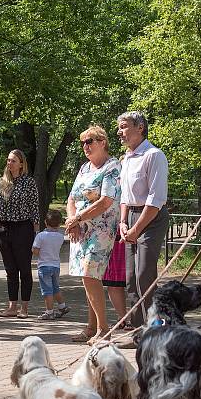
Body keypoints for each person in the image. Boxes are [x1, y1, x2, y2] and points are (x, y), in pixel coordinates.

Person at [116, 111, 169, 347]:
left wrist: (137, 228)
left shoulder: (154, 155)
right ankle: (138, 333)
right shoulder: (126, 158)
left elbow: (155, 199)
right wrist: (123, 222)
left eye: (124, 127)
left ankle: (154, 332)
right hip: (132, 218)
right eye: (119, 127)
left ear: (140, 128)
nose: (119, 132)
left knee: (144, 275)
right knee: (130, 278)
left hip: (151, 217)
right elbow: (125, 196)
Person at [65, 125, 121, 345]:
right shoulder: (84, 168)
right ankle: (90, 327)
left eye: (90, 141)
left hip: (102, 229)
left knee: (90, 274)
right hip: (81, 230)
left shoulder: (112, 166)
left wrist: (78, 219)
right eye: (83, 143)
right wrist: (73, 222)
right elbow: (71, 198)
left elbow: (106, 201)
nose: (85, 146)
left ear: (103, 142)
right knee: (87, 278)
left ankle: (103, 329)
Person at [0, 149, 39, 318]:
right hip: (4, 229)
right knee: (10, 270)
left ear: (21, 164)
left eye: (13, 160)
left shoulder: (29, 182)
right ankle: (12, 307)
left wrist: (36, 233)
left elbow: (35, 208)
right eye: (8, 160)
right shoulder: (3, 182)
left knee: (24, 269)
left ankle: (24, 308)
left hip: (23, 229)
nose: (9, 163)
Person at [32, 209, 69, 320]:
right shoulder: (60, 236)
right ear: (59, 224)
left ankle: (49, 311)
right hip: (56, 266)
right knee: (55, 288)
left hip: (44, 266)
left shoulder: (41, 236)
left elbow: (36, 251)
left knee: (47, 290)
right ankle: (62, 306)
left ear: (45, 222)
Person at [101, 235, 129, 329]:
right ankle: (122, 319)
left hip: (122, 240)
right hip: (114, 241)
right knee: (114, 283)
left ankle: (132, 319)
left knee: (137, 283)